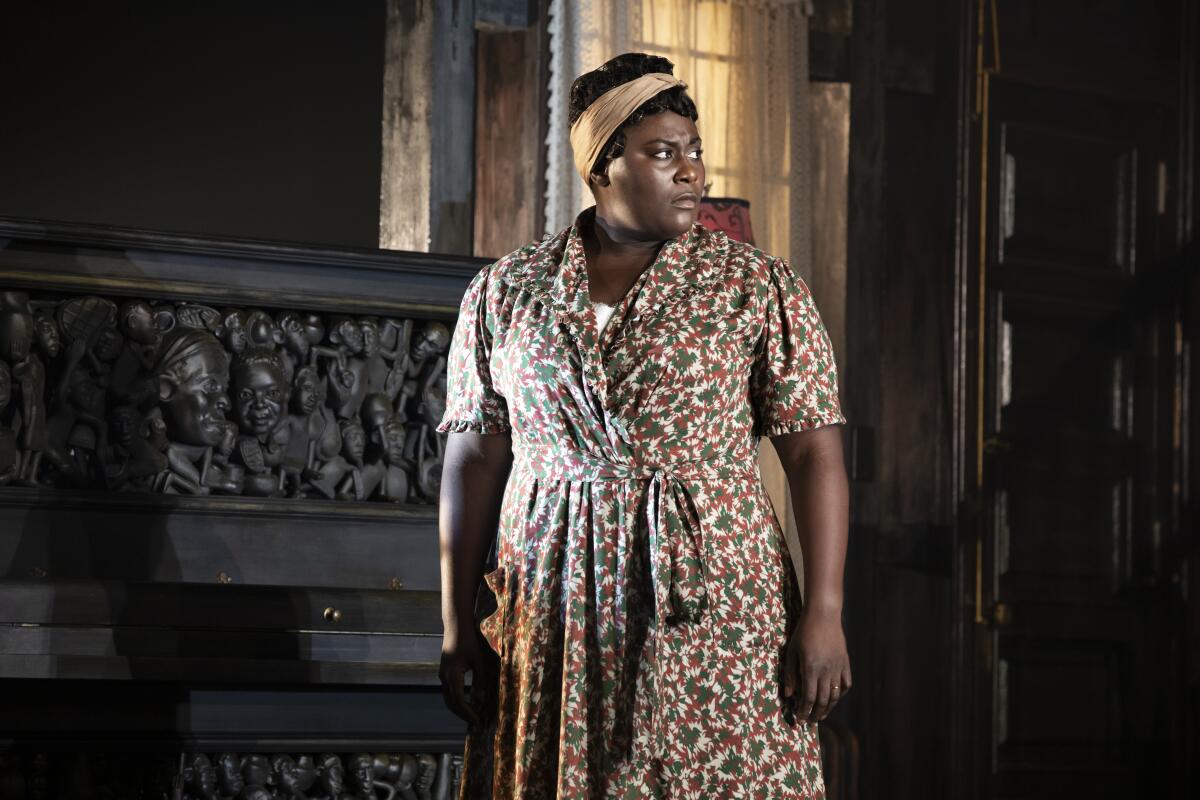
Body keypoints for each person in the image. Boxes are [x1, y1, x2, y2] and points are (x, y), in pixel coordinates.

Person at [437, 52, 850, 798]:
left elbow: (816, 454)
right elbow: (472, 460)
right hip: (553, 601)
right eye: (664, 153)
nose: (692, 171)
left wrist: (823, 613)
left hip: (716, 599)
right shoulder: (508, 290)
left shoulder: (756, 286)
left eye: (695, 151)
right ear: (601, 167)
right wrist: (458, 622)